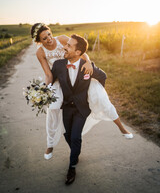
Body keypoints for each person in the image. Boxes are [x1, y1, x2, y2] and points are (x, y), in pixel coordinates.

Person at [30, 23, 133, 160]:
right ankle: (50, 144)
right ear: (39, 41)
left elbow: (80, 50)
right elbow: (49, 75)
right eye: (44, 38)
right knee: (52, 107)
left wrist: (89, 62)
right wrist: (44, 91)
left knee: (101, 98)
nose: (49, 39)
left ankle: (121, 127)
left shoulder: (61, 39)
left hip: (78, 75)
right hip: (60, 80)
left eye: (49, 34)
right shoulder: (40, 52)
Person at [51, 34, 107, 184]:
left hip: (82, 108)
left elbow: (103, 76)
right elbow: (51, 82)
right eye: (66, 44)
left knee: (75, 137)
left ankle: (72, 166)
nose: (64, 47)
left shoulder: (87, 66)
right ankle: (75, 152)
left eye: (69, 46)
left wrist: (96, 95)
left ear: (78, 52)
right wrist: (43, 93)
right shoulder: (58, 65)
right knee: (67, 135)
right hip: (66, 108)